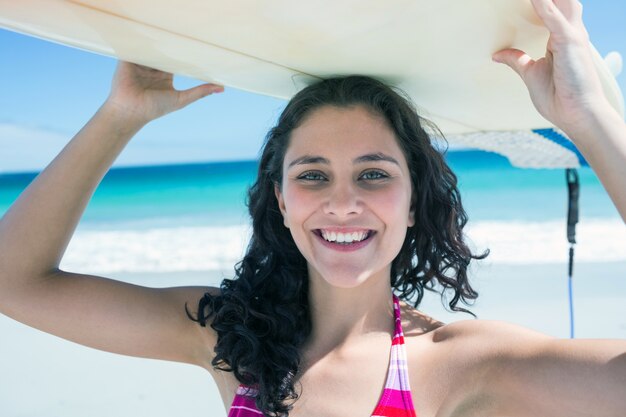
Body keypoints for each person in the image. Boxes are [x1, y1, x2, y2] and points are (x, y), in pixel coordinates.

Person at [0, 0, 625, 416]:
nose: (343, 202)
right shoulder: (228, 337)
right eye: (313, 174)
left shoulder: (466, 362)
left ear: (414, 204)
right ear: (281, 200)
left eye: (374, 174)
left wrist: (588, 119)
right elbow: (14, 281)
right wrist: (118, 118)